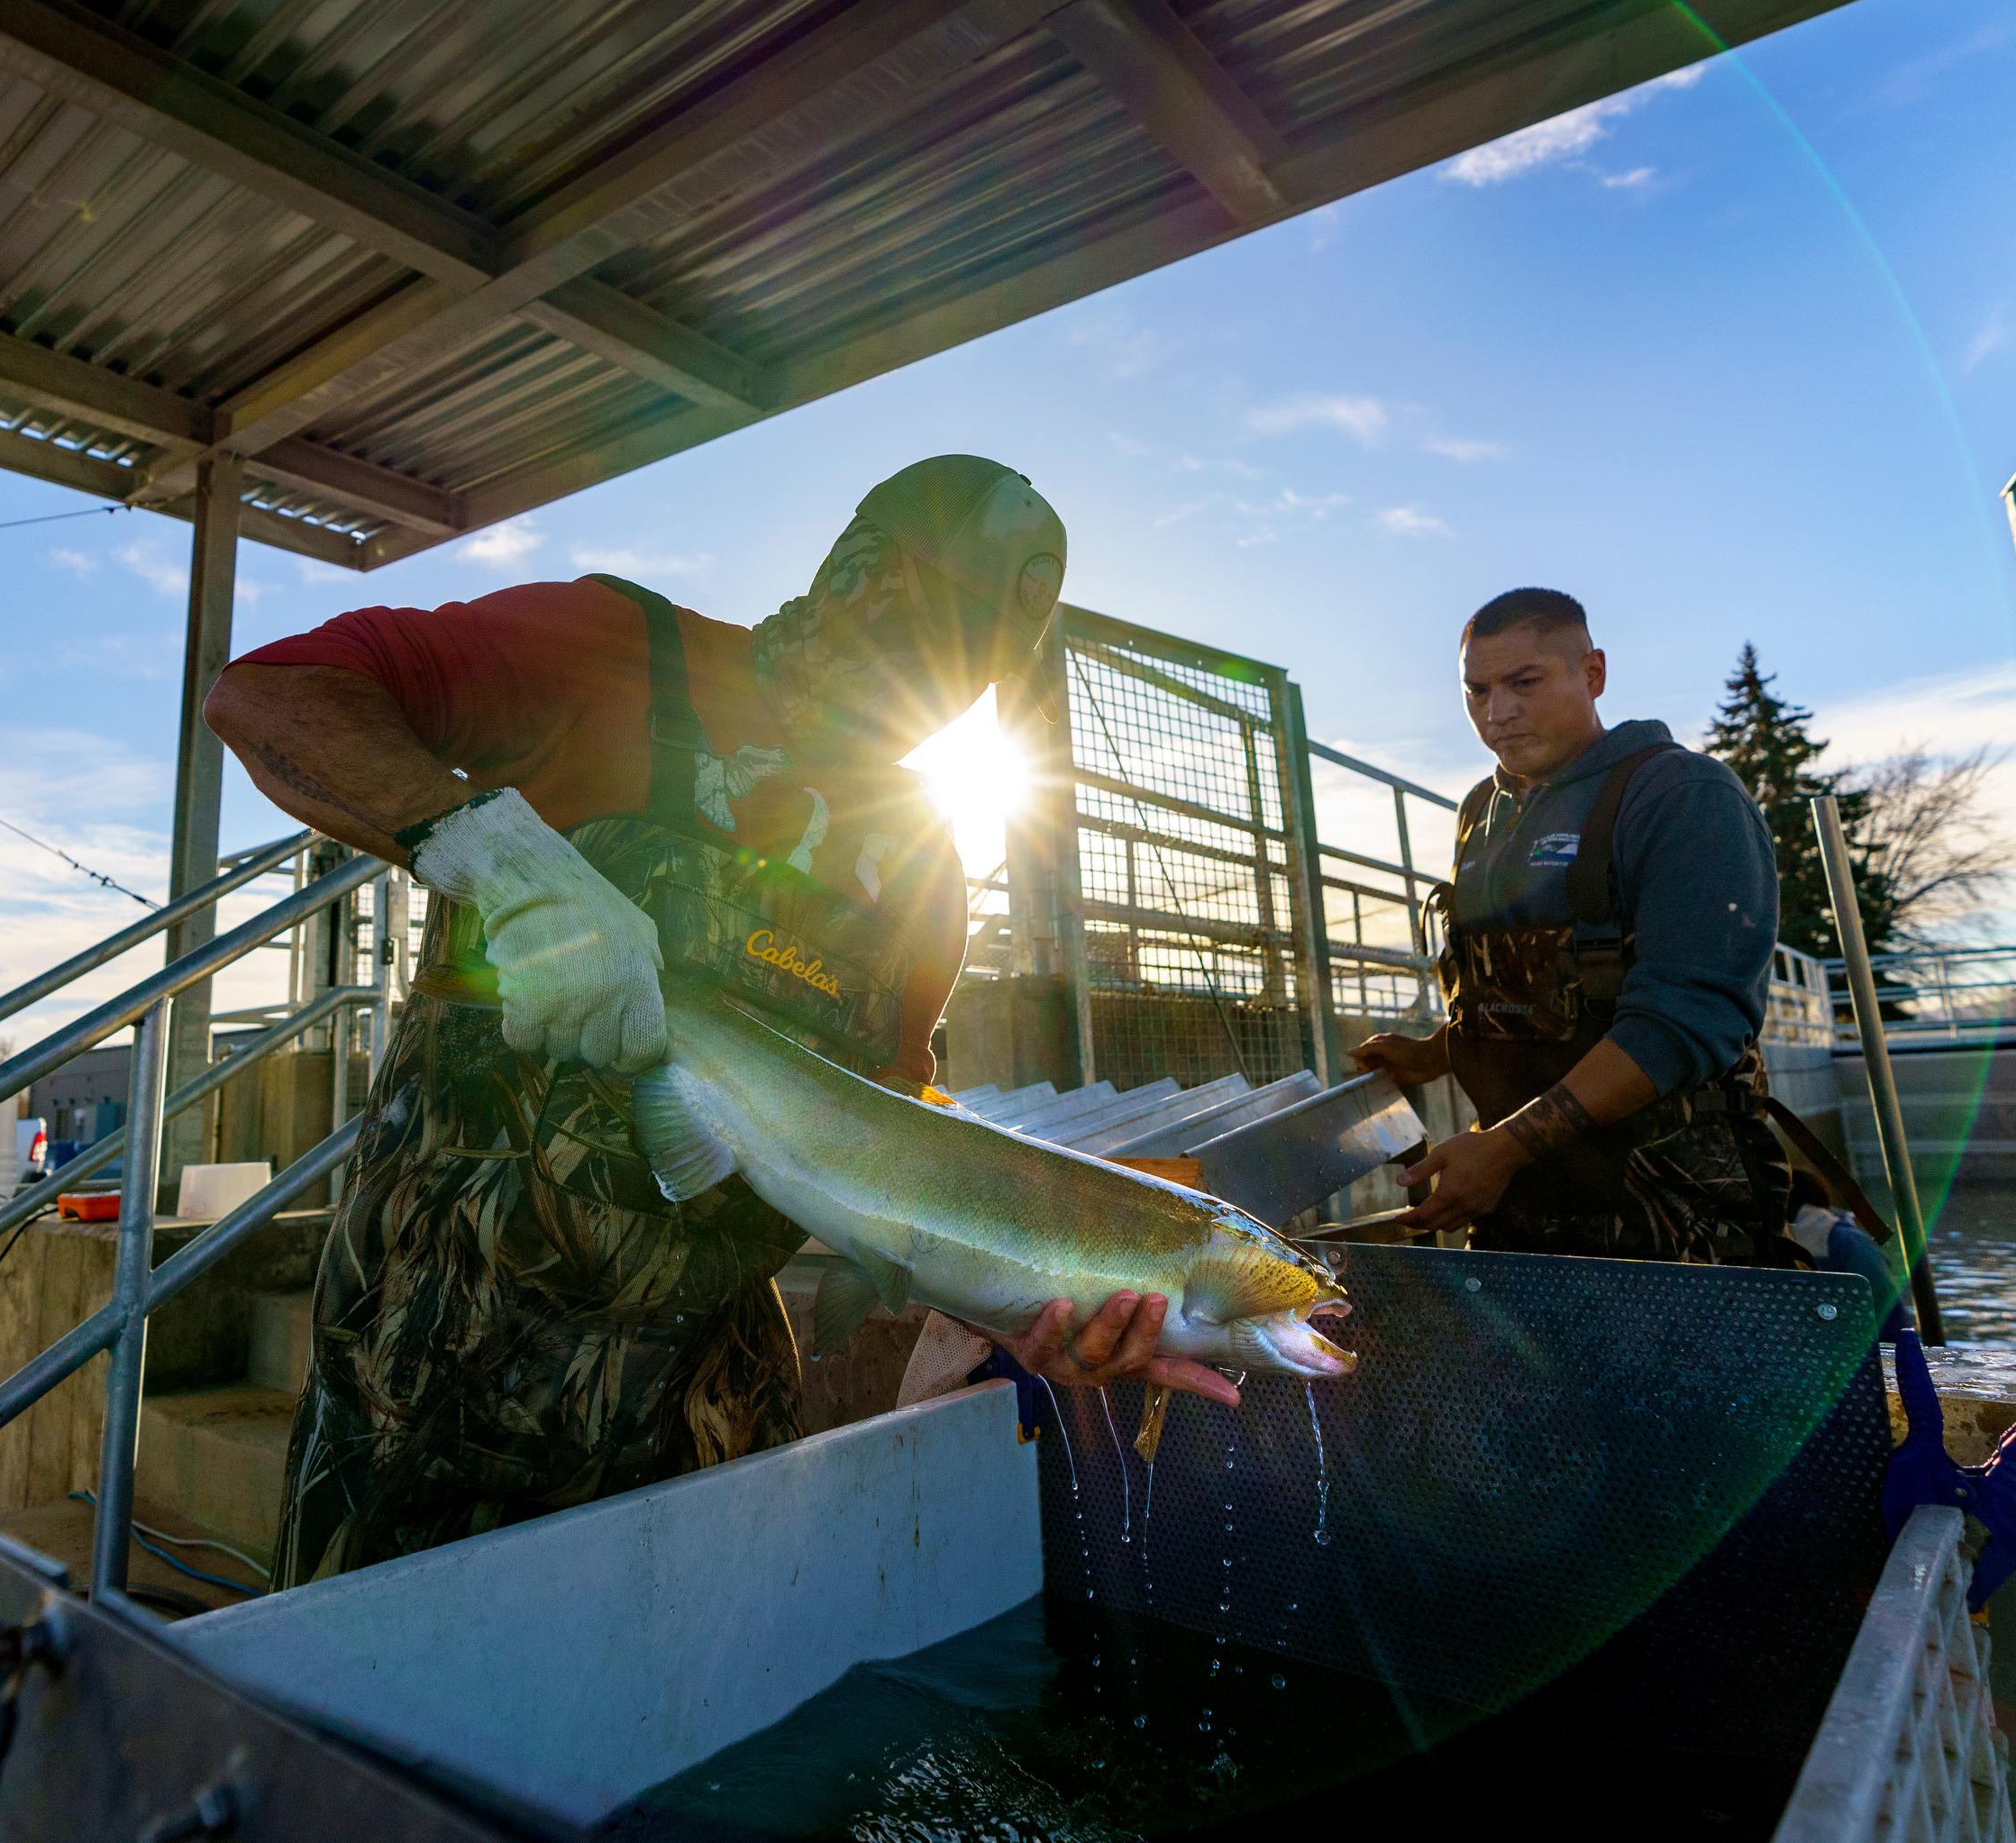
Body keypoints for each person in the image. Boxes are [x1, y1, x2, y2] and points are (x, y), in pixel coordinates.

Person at [210, 456, 1238, 1585]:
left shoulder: (922, 859)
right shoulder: (614, 653)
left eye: (974, 681)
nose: (941, 707)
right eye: (936, 650)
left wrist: (1023, 1292)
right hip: (435, 1389)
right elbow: (272, 691)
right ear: (857, 573)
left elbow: (884, 1138)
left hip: (708, 1418)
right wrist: (500, 860)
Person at [1352, 589, 1801, 1263]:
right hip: (1515, 1210)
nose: (1497, 713)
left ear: (1592, 674)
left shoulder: (1684, 796)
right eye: (1477, 691)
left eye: (1523, 683)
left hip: (1675, 1221)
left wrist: (1502, 1147)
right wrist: (1437, 1051)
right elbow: (1545, 994)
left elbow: (1683, 1024)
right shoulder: (1483, 809)